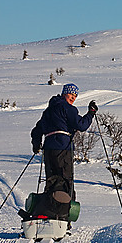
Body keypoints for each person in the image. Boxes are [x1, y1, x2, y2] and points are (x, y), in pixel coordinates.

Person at [31, 83, 97, 211]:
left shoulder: (48, 111)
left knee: (52, 180)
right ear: (64, 93)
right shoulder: (67, 108)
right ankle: (64, 214)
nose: (73, 97)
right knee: (66, 181)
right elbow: (81, 125)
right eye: (71, 94)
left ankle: (49, 211)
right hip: (63, 148)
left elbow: (37, 130)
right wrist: (91, 113)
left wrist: (36, 144)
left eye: (75, 95)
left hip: (49, 150)